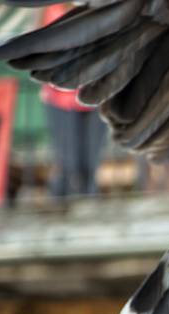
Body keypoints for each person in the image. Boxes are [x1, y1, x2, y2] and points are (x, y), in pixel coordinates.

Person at [40, 3, 106, 200]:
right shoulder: (50, 10)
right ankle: (62, 205)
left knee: (91, 164)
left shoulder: (97, 10)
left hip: (93, 96)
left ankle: (88, 211)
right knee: (69, 164)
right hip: (60, 99)